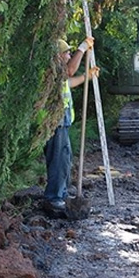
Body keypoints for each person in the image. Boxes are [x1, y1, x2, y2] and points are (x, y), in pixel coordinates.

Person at [43, 37, 96, 216]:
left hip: (62, 121)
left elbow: (69, 82)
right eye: (66, 53)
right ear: (57, 56)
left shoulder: (59, 74)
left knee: (64, 160)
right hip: (55, 121)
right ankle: (54, 197)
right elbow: (69, 71)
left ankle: (61, 194)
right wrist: (82, 49)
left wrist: (86, 77)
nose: (69, 55)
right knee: (58, 160)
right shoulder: (52, 71)